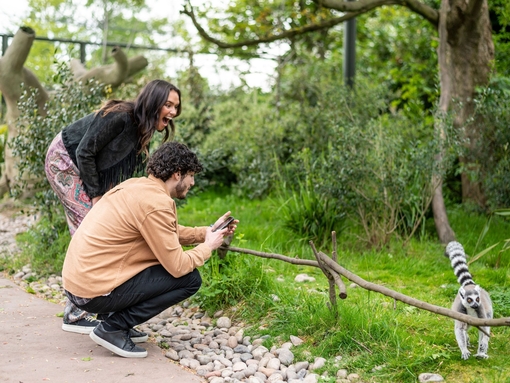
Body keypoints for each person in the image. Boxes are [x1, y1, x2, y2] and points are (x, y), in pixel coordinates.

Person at [62, 141, 237, 358]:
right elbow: (178, 267)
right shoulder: (156, 203)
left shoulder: (138, 186)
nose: (192, 182)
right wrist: (207, 246)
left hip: (79, 284)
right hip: (93, 292)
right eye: (191, 175)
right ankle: (112, 327)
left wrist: (206, 232)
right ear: (177, 174)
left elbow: (165, 231)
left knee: (162, 264)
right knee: (189, 279)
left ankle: (112, 320)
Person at [45, 79, 181, 334]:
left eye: (176, 107)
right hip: (65, 162)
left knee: (112, 229)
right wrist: (97, 196)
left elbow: (135, 178)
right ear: (153, 103)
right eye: (168, 105)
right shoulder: (120, 117)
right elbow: (85, 151)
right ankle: (75, 314)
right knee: (91, 226)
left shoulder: (144, 131)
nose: (173, 112)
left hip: (89, 171)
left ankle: (105, 309)